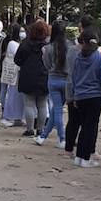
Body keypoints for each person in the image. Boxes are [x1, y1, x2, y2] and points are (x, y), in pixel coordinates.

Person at [66, 30, 101, 166]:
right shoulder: (100, 59)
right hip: (95, 95)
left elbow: (74, 77)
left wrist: (75, 94)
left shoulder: (78, 58)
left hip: (80, 96)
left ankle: (79, 156)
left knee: (82, 126)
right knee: (90, 127)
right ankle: (85, 158)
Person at [15, 19, 50, 138]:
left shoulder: (25, 44)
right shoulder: (48, 46)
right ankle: (40, 129)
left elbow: (17, 60)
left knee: (29, 104)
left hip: (27, 75)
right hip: (44, 76)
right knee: (42, 104)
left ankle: (29, 129)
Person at [39, 19, 69, 147]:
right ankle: (43, 136)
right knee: (56, 109)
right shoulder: (71, 47)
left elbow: (46, 65)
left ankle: (62, 138)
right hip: (67, 80)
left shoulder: (47, 49)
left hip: (53, 79)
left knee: (56, 110)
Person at [0, 25, 25, 127]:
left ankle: (18, 117)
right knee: (12, 95)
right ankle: (8, 116)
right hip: (13, 72)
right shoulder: (12, 43)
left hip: (19, 73)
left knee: (19, 96)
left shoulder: (20, 43)